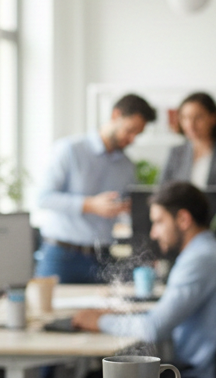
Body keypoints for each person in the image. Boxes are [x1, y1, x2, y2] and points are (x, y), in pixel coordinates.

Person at [71, 182, 216, 378]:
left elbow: (153, 328)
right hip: (212, 370)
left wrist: (98, 321)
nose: (154, 233)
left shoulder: (199, 259)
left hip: (196, 376)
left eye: (159, 222)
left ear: (183, 219)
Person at [35, 94, 157, 283]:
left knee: (102, 312)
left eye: (137, 134)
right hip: (61, 255)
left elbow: (123, 212)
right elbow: (43, 198)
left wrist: (126, 208)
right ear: (116, 115)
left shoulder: (127, 166)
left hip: (101, 258)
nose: (132, 139)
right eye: (130, 130)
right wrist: (90, 205)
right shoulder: (69, 150)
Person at [160, 91, 216, 188]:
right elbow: (162, 191)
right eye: (185, 118)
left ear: (213, 118)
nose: (190, 125)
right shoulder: (176, 152)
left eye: (198, 117)